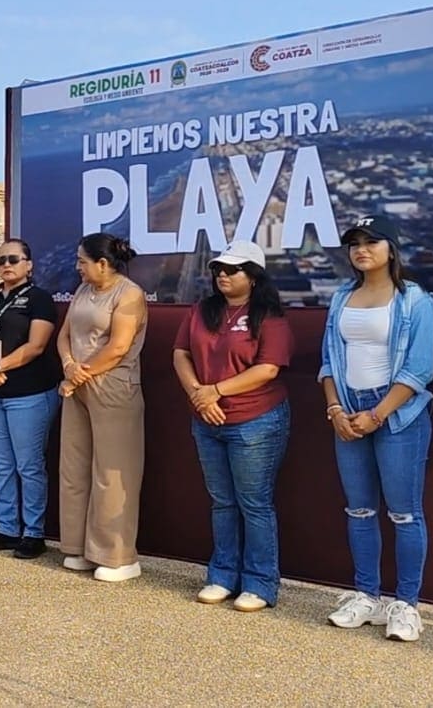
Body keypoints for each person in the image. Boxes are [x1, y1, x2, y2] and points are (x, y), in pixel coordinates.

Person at [318, 216, 433, 641]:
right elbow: (329, 361)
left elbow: (419, 368)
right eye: (354, 244)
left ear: (392, 248)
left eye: (371, 242)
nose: (361, 250)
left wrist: (378, 414)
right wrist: (335, 408)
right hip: (348, 411)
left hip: (397, 415)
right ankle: (366, 595)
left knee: (404, 513)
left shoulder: (414, 300)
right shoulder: (341, 297)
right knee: (359, 510)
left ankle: (405, 604)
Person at [172, 240, 294, 612]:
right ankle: (222, 574)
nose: (222, 275)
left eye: (232, 270)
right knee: (222, 502)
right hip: (207, 419)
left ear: (253, 277)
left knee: (253, 503)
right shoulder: (202, 310)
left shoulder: (269, 316)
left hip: (255, 421)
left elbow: (268, 368)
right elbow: (181, 353)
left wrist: (215, 391)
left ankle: (260, 582)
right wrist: (199, 395)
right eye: (218, 270)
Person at [56, 233, 148, 582]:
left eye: (82, 261)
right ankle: (78, 547)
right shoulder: (82, 291)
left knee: (112, 474)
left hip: (113, 388)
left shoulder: (130, 294)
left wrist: (77, 376)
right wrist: (68, 366)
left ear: (103, 263)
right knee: (75, 469)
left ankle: (117, 556)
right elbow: (64, 334)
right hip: (76, 386)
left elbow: (118, 346)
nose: (77, 267)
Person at [0, 238, 64, 559]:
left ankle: (33, 532)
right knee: (2, 465)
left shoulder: (39, 299)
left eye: (14, 259)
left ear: (28, 264)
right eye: (2, 260)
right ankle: (7, 527)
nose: (7, 265)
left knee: (29, 466)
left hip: (29, 393)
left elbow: (36, 346)